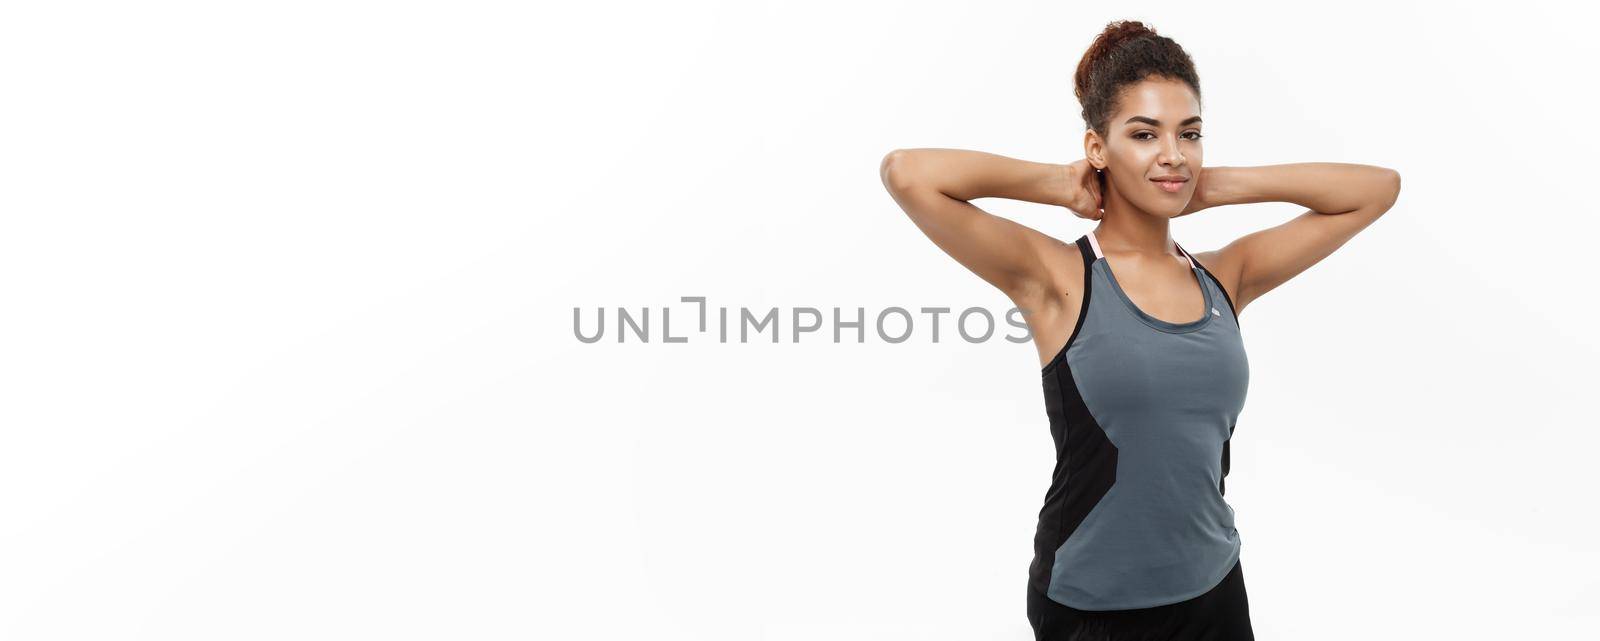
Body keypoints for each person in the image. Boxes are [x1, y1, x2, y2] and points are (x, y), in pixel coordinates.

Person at [878, 20, 1401, 641]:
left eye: (1190, 134)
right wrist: (1056, 183)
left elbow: (1376, 189)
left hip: (1214, 587)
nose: (1172, 153)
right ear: (1098, 147)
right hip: (1091, 604)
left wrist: (1217, 186)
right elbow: (908, 173)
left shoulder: (1226, 278)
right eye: (1143, 134)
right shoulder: (1058, 277)